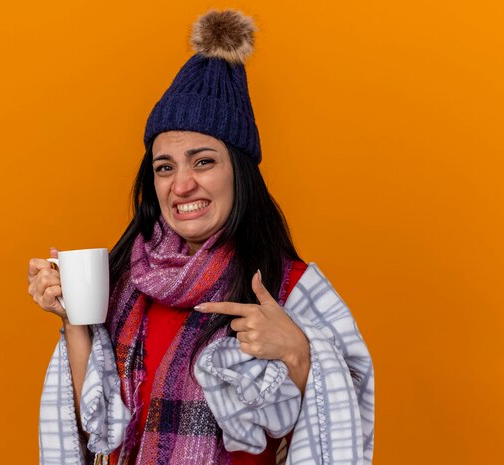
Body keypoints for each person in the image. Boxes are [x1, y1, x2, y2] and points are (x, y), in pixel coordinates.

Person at [29, 9, 374, 465]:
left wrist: (299, 352)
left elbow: (348, 424)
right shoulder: (125, 284)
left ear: (240, 172)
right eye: (165, 167)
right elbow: (95, 434)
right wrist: (75, 317)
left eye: (204, 161)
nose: (182, 185)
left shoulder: (291, 287)